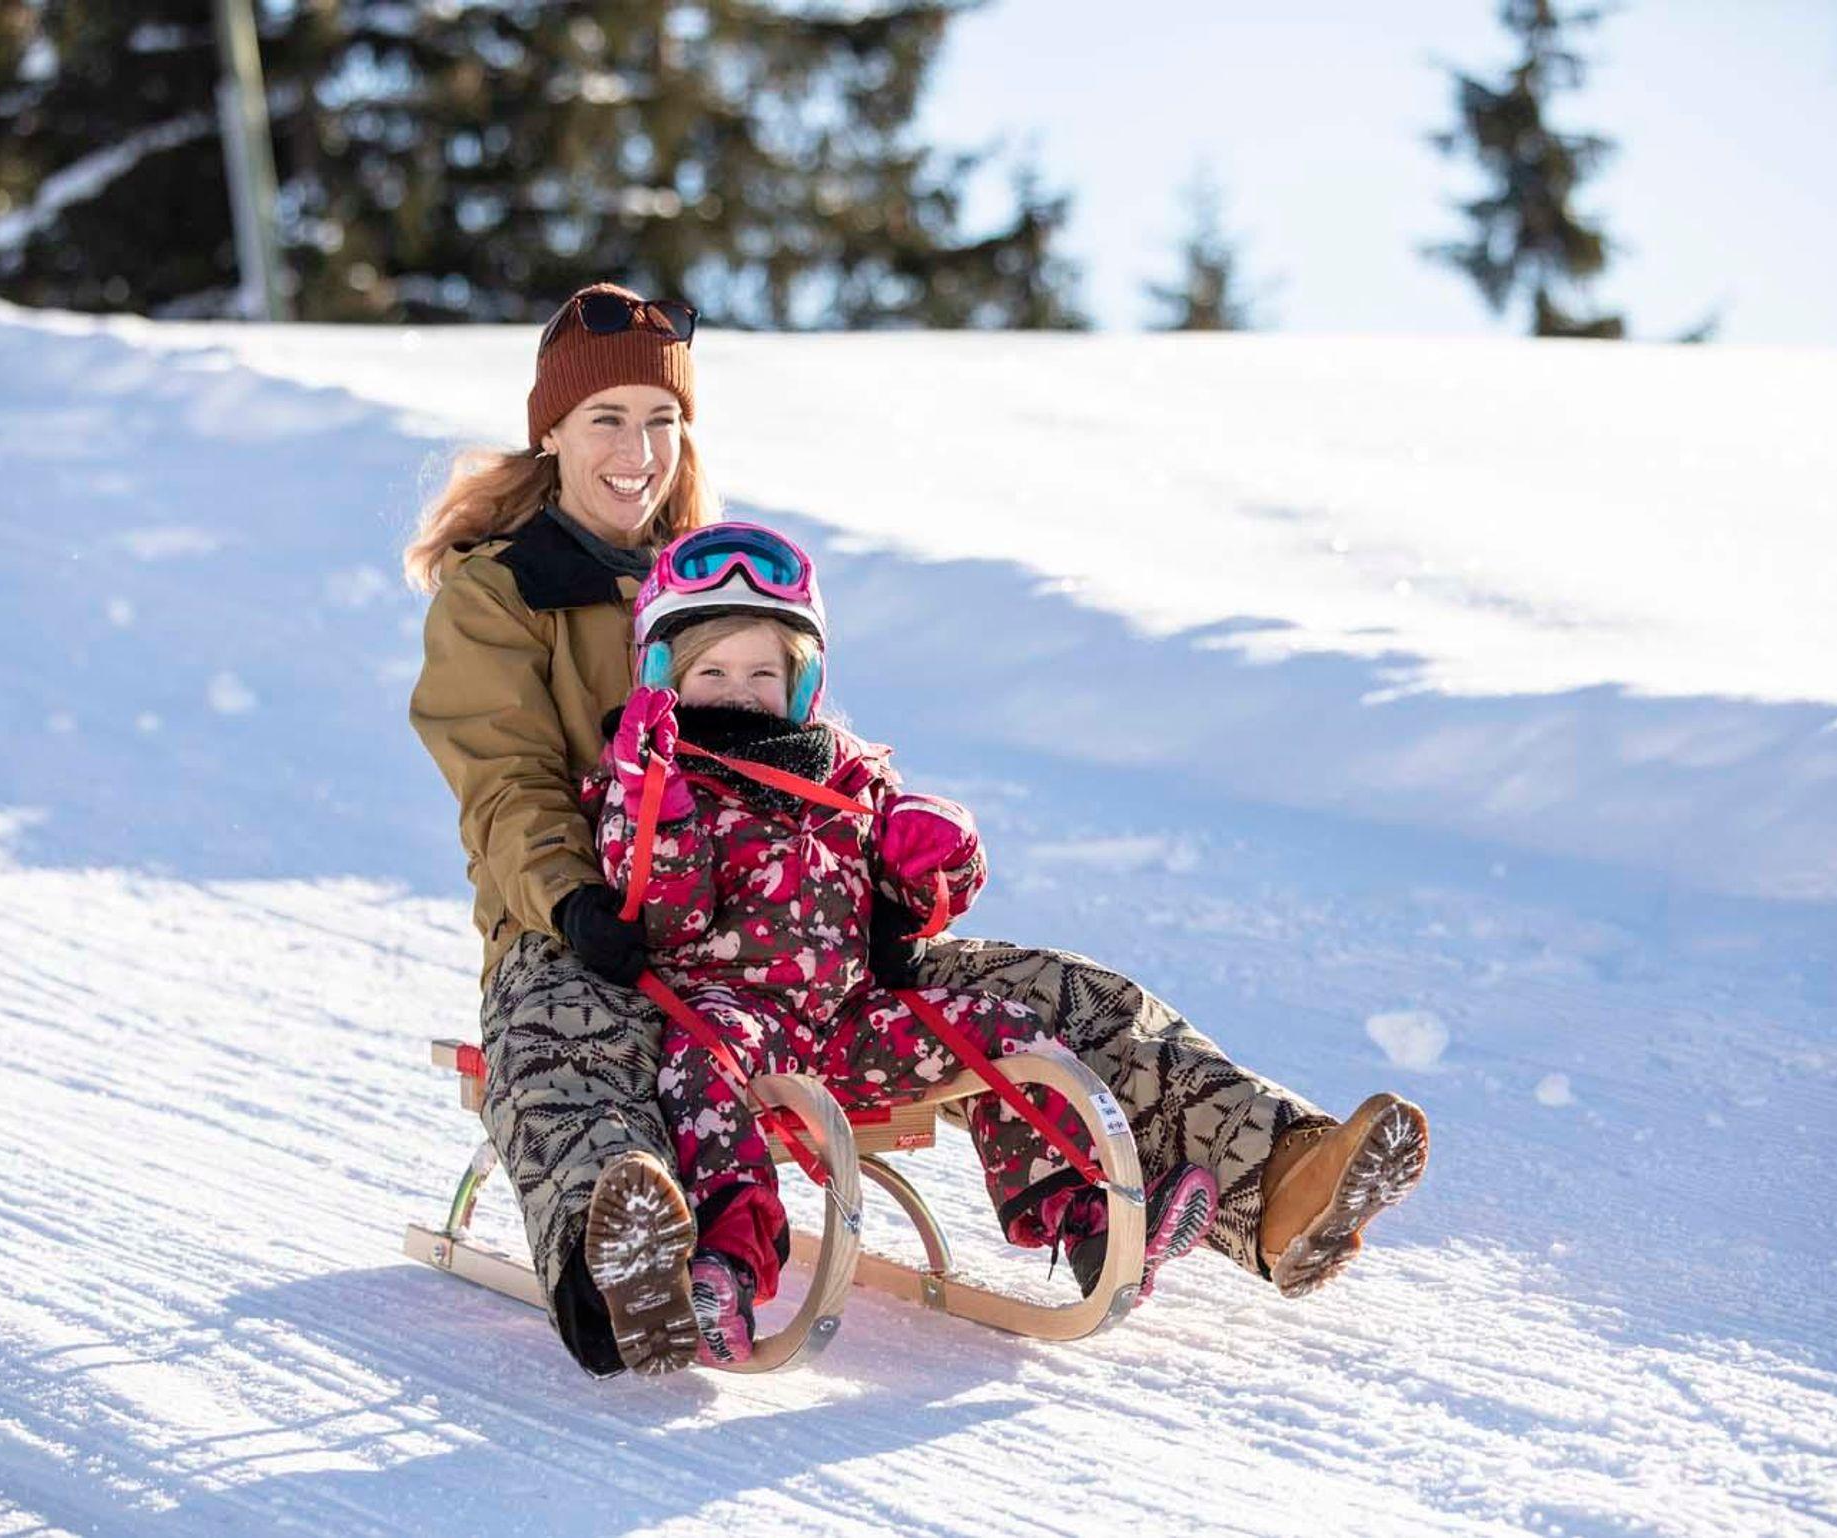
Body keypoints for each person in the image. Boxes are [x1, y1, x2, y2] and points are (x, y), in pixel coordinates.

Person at [405, 280, 1428, 1380]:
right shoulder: (500, 594)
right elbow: (507, 786)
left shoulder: (717, 568)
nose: (637, 450)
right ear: (551, 431)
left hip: (792, 950)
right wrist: (573, 901)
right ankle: (625, 1272)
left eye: (661, 419)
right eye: (605, 418)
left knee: (1048, 991)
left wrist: (885, 883)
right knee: (562, 1039)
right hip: (590, 930)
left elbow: (808, 749)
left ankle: (1276, 1179)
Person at [583, 523, 1220, 1366]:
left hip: (850, 1021)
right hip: (730, 1016)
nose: (739, 692)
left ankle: (1087, 1217)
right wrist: (656, 807)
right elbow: (668, 922)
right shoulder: (654, 779)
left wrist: (938, 862)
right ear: (664, 677)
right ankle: (725, 1265)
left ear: (802, 681)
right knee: (698, 1070)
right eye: (713, 672)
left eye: (762, 673)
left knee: (996, 1029)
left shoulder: (847, 774)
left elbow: (905, 909)